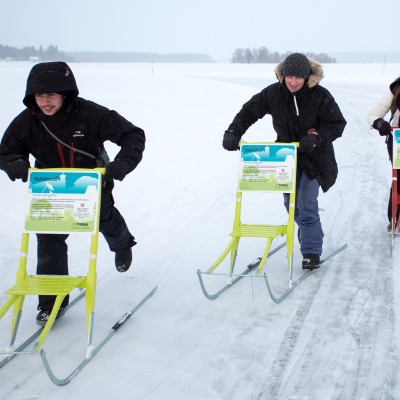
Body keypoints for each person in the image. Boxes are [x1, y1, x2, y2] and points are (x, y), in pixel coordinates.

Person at [0, 62, 145, 325]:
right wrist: (14, 163)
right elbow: (7, 150)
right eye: (39, 95)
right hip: (50, 189)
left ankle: (123, 245)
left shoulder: (89, 113)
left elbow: (133, 135)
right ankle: (51, 302)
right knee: (48, 239)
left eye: (51, 94)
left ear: (65, 93)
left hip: (91, 183)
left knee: (104, 218)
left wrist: (123, 163)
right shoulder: (27, 121)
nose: (45, 101)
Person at [222, 53, 346, 270]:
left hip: (316, 159)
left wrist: (317, 138)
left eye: (299, 77)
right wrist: (233, 131)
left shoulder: (320, 95)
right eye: (290, 76)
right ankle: (308, 231)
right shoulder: (273, 93)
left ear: (307, 77)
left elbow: (337, 123)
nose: (294, 82)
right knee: (292, 206)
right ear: (283, 74)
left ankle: (311, 252)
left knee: (307, 203)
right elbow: (248, 112)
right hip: (286, 157)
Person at [368, 77, 400, 230]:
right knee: (399, 178)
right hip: (398, 140)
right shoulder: (397, 89)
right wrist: (380, 124)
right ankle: (395, 217)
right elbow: (373, 115)